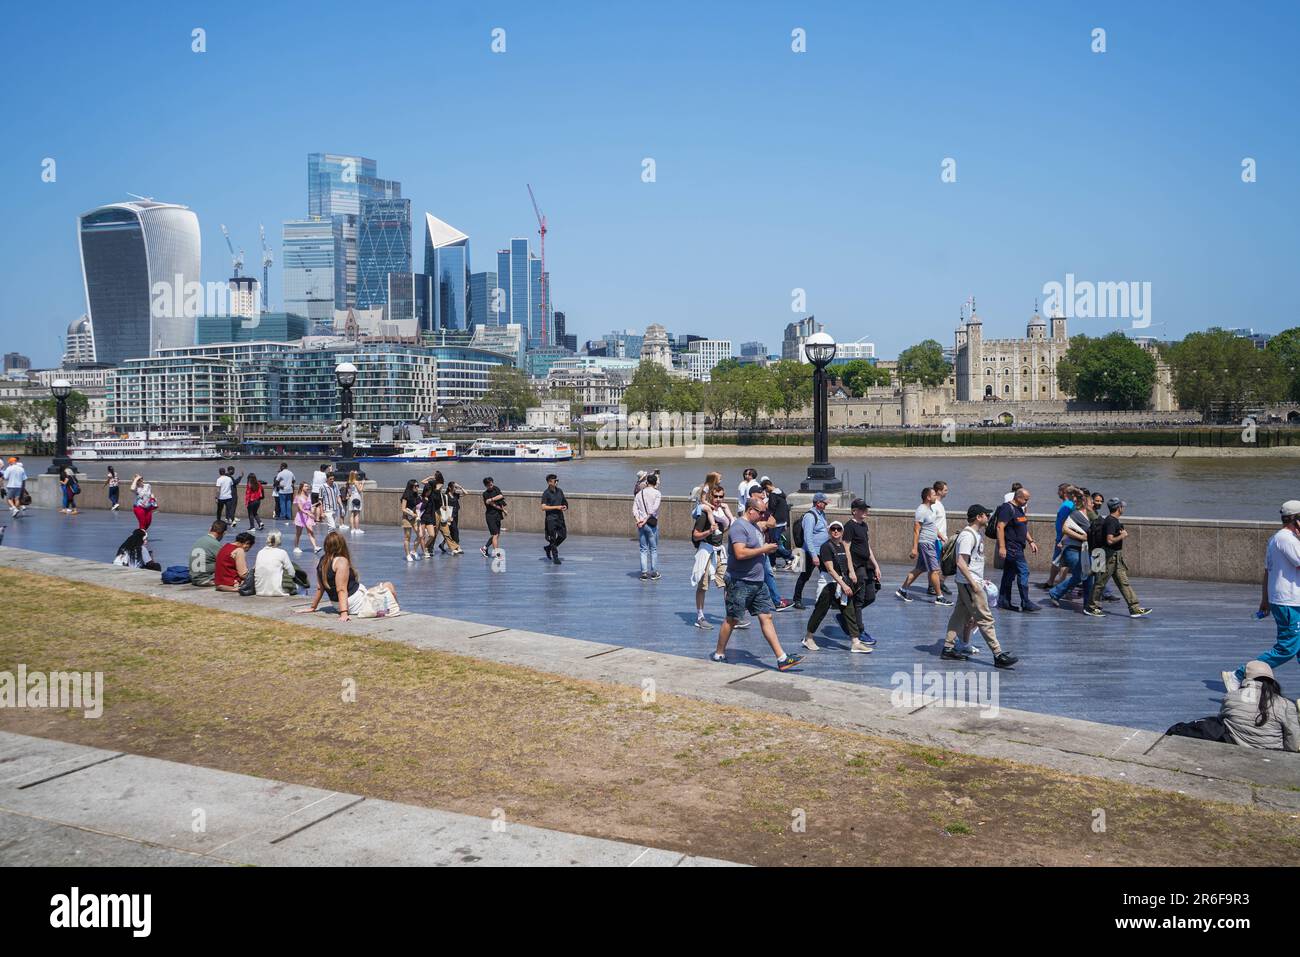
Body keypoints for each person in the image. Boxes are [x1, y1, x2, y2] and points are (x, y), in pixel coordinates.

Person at [711, 495, 804, 672]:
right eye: (760, 512)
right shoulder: (739, 527)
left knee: (766, 617)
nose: (763, 515)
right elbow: (739, 553)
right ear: (750, 510)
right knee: (732, 619)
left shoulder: (755, 525)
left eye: (764, 512)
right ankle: (719, 653)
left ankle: (782, 658)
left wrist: (770, 511)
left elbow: (771, 522)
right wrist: (765, 549)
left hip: (757, 583)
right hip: (740, 582)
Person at [1224, 500, 1300, 692]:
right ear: (1296, 520)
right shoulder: (1287, 539)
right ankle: (1239, 674)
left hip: (1287, 600)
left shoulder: (1276, 539)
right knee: (1287, 648)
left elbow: (1268, 571)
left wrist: (1264, 599)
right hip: (1289, 602)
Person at [942, 505, 1019, 668]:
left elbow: (972, 562)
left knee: (959, 615)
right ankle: (998, 654)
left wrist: (980, 580)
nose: (989, 517)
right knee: (985, 618)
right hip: (969, 584)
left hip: (970, 582)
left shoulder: (974, 535)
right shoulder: (968, 536)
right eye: (986, 515)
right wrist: (974, 584)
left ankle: (948, 648)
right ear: (978, 517)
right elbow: (961, 563)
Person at [1169, 661, 1298, 752]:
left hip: (1236, 748)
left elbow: (1223, 722)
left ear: (1246, 678)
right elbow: (1293, 742)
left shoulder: (1231, 696)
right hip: (1272, 752)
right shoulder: (1285, 704)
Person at [298, 530, 400, 621]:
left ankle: (390, 608)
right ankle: (396, 610)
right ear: (342, 545)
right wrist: (344, 613)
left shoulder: (322, 561)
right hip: (355, 603)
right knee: (388, 586)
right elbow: (341, 589)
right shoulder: (341, 561)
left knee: (380, 591)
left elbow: (320, 588)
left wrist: (313, 607)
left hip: (337, 604)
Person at [802, 520, 871, 654]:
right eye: (833, 529)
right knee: (820, 611)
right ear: (829, 531)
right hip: (828, 583)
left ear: (842, 532)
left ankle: (855, 642)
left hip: (841, 582)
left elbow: (848, 559)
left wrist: (851, 572)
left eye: (838, 529)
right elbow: (830, 569)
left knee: (849, 610)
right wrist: (844, 585)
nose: (836, 531)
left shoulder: (842, 546)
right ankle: (808, 637)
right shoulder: (826, 547)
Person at [1084, 498, 1151, 618]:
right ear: (1119, 508)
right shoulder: (1111, 521)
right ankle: (1091, 607)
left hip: (1116, 557)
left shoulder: (1113, 520)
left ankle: (1134, 608)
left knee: (1124, 583)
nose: (1123, 508)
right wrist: (1122, 535)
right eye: (1122, 507)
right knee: (1100, 583)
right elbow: (1110, 540)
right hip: (1109, 557)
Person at [896, 487, 949, 605]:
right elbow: (916, 530)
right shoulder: (921, 510)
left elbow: (932, 526)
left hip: (931, 541)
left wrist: (940, 535)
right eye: (934, 495)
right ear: (928, 497)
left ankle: (902, 590)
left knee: (920, 569)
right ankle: (939, 597)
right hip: (925, 543)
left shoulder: (930, 509)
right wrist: (914, 548)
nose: (936, 497)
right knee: (935, 570)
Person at [842, 498, 882, 647]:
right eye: (862, 509)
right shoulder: (849, 526)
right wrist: (851, 570)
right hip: (857, 567)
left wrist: (876, 565)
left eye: (866, 509)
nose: (866, 511)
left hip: (867, 566)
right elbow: (846, 547)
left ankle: (848, 616)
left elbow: (867, 546)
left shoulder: (864, 525)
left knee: (870, 596)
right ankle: (859, 631)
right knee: (858, 600)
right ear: (854, 511)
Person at [994, 487, 1040, 612]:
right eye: (1026, 499)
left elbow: (1023, 528)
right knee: (1024, 572)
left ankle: (1004, 601)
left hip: (1018, 546)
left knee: (1009, 574)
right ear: (1018, 497)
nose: (1027, 502)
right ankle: (1025, 602)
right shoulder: (1007, 508)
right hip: (1012, 548)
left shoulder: (1019, 509)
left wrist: (1031, 541)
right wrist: (1002, 547)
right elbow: (1000, 527)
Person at [1047, 488, 1094, 610]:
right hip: (1072, 549)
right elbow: (1065, 528)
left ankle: (1088, 603)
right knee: (1083, 575)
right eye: (1091, 502)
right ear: (1084, 502)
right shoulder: (1076, 513)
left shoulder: (1090, 516)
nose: (1093, 504)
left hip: (1083, 550)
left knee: (1085, 575)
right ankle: (1088, 604)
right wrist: (1082, 537)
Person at [691, 485, 730, 628]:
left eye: (721, 496)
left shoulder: (721, 512)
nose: (718, 499)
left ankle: (730, 615)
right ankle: (700, 616)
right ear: (710, 497)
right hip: (706, 551)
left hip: (720, 552)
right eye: (716, 496)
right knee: (703, 585)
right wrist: (708, 531)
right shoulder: (703, 514)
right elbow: (695, 536)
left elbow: (724, 529)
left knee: (727, 582)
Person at [793, 492, 831, 608]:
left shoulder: (821, 514)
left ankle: (830, 599)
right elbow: (807, 538)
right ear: (818, 503)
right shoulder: (810, 516)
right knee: (804, 576)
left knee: (827, 574)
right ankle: (797, 600)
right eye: (825, 503)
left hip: (822, 551)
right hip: (811, 552)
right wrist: (814, 555)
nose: (826, 505)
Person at [1038, 483, 1074, 590]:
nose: (1057, 493)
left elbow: (1067, 523)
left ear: (1063, 492)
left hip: (1064, 538)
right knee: (1059, 561)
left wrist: (1063, 539)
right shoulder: (1068, 504)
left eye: (1059, 491)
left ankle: (1058, 583)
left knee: (1061, 562)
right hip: (1062, 537)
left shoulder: (1067, 505)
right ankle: (1053, 581)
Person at [423, 471, 462, 555]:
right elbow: (424, 482)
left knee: (446, 531)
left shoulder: (439, 485)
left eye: (434, 475)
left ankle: (454, 547)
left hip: (440, 511)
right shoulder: (433, 484)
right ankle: (429, 548)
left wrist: (442, 506)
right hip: (435, 511)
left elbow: (439, 497)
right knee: (435, 531)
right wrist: (430, 478)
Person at [633, 472, 661, 581]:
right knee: (653, 549)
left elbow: (634, 509)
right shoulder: (657, 493)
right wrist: (646, 520)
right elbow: (654, 508)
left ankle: (644, 573)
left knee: (643, 549)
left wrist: (639, 521)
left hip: (641, 524)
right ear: (655, 483)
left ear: (647, 482)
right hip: (651, 523)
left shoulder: (639, 494)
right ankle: (654, 573)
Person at [253, 530, 299, 597]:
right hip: (277, 591)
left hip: (259, 590)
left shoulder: (260, 552)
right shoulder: (282, 552)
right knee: (301, 587)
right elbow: (292, 573)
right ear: (279, 540)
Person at [761, 477, 793, 568]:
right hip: (782, 521)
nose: (766, 492)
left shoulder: (773, 495)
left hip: (775, 522)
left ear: (767, 486)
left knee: (774, 544)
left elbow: (771, 508)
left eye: (765, 489)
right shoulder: (781, 493)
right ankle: (773, 563)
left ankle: (790, 557)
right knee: (775, 542)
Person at [928, 480, 952, 597]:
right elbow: (931, 523)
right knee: (934, 565)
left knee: (946, 562)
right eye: (945, 490)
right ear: (939, 491)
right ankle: (932, 586)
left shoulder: (939, 504)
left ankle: (940, 582)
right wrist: (941, 536)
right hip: (936, 540)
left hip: (942, 538)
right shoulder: (935, 505)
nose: (947, 492)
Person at [189, 520, 227, 587]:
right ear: (223, 533)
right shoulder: (215, 544)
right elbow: (227, 562)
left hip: (194, 578)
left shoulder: (199, 540)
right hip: (205, 579)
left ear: (210, 529)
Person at [541, 473, 568, 563]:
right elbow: (543, 507)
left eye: (557, 480)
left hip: (560, 518)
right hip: (551, 519)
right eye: (555, 480)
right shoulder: (546, 493)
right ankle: (555, 557)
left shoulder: (560, 491)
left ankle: (548, 548)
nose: (557, 482)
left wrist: (565, 506)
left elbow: (564, 502)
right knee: (552, 538)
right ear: (549, 482)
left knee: (563, 536)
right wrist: (556, 507)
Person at [480, 477, 507, 558]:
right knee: (495, 534)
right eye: (489, 485)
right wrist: (503, 510)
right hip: (490, 516)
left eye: (492, 484)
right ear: (486, 485)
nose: (491, 486)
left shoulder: (496, 488)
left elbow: (501, 496)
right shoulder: (485, 494)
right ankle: (497, 553)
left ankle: (484, 548)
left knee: (497, 534)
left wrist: (492, 499)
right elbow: (493, 505)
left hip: (498, 515)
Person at [292, 482, 320, 555]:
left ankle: (315, 547)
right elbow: (300, 508)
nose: (307, 487)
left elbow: (309, 506)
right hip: (301, 516)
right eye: (306, 486)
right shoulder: (298, 497)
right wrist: (308, 513)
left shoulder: (309, 495)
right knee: (298, 533)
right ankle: (296, 547)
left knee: (311, 531)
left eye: (308, 486)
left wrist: (316, 504)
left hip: (308, 516)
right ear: (302, 487)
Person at [399, 479, 422, 561]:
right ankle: (408, 555)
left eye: (418, 486)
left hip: (415, 518)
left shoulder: (417, 495)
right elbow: (403, 508)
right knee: (407, 537)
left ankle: (414, 551)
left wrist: (418, 515)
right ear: (411, 486)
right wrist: (412, 514)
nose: (417, 487)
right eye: (415, 486)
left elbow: (419, 506)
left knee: (421, 535)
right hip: (407, 518)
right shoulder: (406, 495)